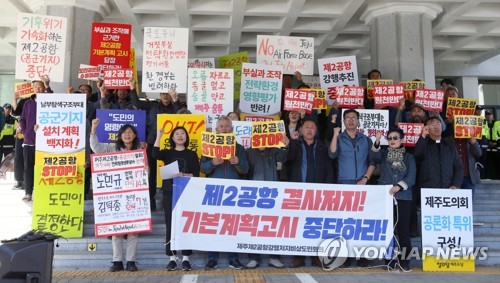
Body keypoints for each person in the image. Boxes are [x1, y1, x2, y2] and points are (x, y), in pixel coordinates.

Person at [90, 119, 143, 272]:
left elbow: (145, 173)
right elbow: (96, 148)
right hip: (116, 195)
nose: (127, 135)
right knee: (116, 230)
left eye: (130, 133)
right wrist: (94, 129)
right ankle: (117, 261)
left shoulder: (139, 151)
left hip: (134, 194)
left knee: (133, 230)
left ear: (134, 136)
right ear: (120, 136)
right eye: (125, 133)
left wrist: (145, 169)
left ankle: (131, 261)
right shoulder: (112, 148)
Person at [200, 116, 249, 270]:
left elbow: (245, 169)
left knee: (232, 225)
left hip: (234, 191)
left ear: (232, 129)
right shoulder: (209, 146)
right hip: (215, 189)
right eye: (221, 126)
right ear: (216, 129)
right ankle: (212, 259)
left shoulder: (239, 148)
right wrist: (212, 163)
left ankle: (233, 258)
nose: (224, 129)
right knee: (214, 224)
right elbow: (203, 168)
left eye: (227, 126)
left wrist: (238, 162)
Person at [329, 109, 375, 267]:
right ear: (343, 121)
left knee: (362, 221)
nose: (350, 120)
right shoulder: (339, 138)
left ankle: (362, 254)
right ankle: (345, 256)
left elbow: (372, 162)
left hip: (362, 183)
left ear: (358, 121)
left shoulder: (366, 139)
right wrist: (335, 135)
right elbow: (332, 154)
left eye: (353, 118)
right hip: (344, 182)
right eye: (347, 118)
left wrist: (366, 178)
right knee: (345, 221)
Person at [129, 78, 182, 211]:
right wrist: (132, 86)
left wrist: (175, 99)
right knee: (151, 173)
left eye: (167, 93)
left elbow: (181, 116)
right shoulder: (152, 105)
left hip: (171, 145)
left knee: (170, 173)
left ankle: (168, 201)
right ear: (159, 95)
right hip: (153, 143)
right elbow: (136, 103)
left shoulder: (177, 105)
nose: (165, 95)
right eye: (163, 93)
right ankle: (151, 202)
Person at [287, 118, 333, 268]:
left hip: (318, 192)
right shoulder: (295, 144)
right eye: (306, 127)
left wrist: (328, 188)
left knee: (316, 226)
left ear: (316, 131)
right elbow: (289, 158)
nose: (309, 129)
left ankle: (316, 257)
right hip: (298, 191)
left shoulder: (322, 146)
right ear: (300, 130)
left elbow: (329, 168)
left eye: (312, 127)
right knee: (299, 225)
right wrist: (292, 142)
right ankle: (298, 257)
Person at [152, 126, 200, 271]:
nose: (180, 136)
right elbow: (154, 154)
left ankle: (186, 258)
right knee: (170, 224)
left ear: (186, 137)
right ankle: (172, 258)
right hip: (169, 193)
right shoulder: (167, 153)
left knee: (186, 224)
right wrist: (159, 135)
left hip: (186, 193)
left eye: (183, 134)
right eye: (177, 134)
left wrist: (183, 175)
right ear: (172, 138)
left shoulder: (192, 154)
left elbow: (196, 175)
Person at [371, 129, 416, 271]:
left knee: (403, 230)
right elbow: (373, 158)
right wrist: (377, 142)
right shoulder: (383, 155)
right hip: (385, 197)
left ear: (401, 140)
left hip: (404, 197)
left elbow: (411, 177)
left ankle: (405, 262)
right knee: (388, 230)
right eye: (389, 138)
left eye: (395, 137)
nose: (392, 140)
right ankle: (389, 261)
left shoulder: (409, 157)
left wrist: (399, 186)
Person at [245, 135, 289, 269]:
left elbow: (283, 158)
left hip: (273, 194)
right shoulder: (249, 152)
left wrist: (285, 146)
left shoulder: (274, 150)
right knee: (254, 226)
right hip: (255, 195)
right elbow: (245, 171)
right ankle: (253, 258)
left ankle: (274, 257)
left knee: (273, 225)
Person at [20, 75, 53, 202]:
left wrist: (48, 85)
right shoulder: (28, 103)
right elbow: (22, 119)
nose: (38, 89)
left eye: (41, 87)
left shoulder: (48, 100)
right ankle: (28, 192)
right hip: (29, 141)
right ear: (33, 88)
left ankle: (42, 191)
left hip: (46, 141)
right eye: (36, 87)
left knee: (44, 167)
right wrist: (25, 131)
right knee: (28, 167)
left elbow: (52, 98)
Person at [413, 116, 463, 189]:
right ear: (426, 129)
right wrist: (423, 135)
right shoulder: (424, 144)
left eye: (438, 124)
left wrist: (455, 184)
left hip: (448, 190)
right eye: (432, 125)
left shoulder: (449, 145)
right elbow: (417, 154)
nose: (436, 127)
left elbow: (458, 167)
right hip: (428, 190)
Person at [483, 111, 500, 179]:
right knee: (487, 163)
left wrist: (496, 143)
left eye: (489, 115)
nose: (488, 116)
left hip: (497, 145)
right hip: (486, 145)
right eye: (487, 115)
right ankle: (487, 177)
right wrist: (487, 143)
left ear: (492, 116)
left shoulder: (498, 124)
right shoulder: (483, 123)